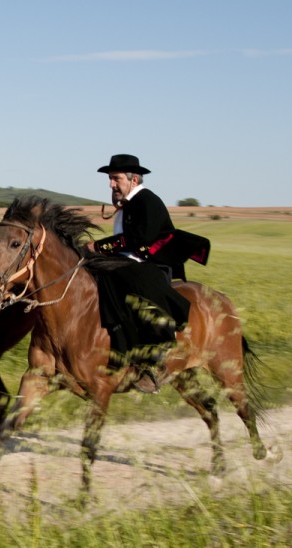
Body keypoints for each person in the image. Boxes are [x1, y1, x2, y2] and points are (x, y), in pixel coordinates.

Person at [89, 154, 200, 392]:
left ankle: (155, 355)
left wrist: (98, 247)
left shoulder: (147, 201)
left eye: (115, 179)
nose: (111, 184)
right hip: (128, 261)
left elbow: (138, 241)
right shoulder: (126, 206)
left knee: (117, 276)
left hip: (152, 263)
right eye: (110, 179)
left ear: (134, 179)